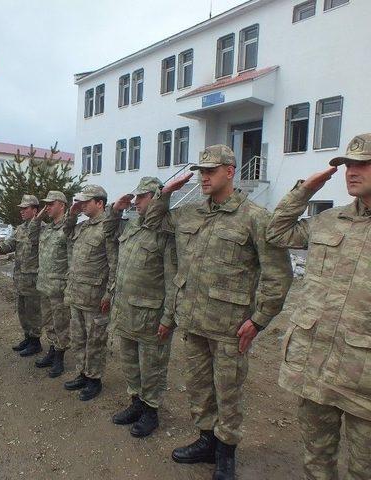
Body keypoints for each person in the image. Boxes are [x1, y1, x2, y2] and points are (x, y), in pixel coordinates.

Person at [155, 145, 293, 479]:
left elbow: (278, 274)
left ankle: (226, 453)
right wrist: (164, 194)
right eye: (201, 171)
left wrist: (259, 320)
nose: (203, 177)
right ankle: (206, 441)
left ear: (230, 172)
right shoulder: (191, 214)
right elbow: (152, 220)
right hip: (193, 321)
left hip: (230, 328)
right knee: (199, 387)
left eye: (210, 171)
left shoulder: (255, 217)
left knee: (228, 392)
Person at [266, 133, 371, 480]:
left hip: (364, 381)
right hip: (315, 368)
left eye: (363, 164)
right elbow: (276, 233)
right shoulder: (329, 220)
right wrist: (305, 189)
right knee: (316, 461)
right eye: (348, 165)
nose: (352, 172)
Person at [109, 177, 177, 437]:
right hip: (126, 310)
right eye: (135, 198)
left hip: (151, 315)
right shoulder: (134, 225)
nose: (136, 202)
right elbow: (108, 233)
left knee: (152, 367)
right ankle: (136, 404)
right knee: (130, 363)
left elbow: (173, 280)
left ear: (156, 198)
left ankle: (151, 411)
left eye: (141, 197)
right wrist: (114, 210)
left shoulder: (165, 232)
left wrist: (169, 317)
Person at [63, 184, 121, 401]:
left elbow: (114, 264)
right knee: (79, 338)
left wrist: (109, 293)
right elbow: (66, 235)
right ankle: (82, 373)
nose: (83, 205)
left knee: (95, 340)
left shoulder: (108, 227)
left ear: (100, 203)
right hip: (77, 293)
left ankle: (94, 379)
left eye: (87, 202)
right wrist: (71, 214)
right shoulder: (83, 226)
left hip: (96, 298)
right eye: (82, 201)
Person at [0, 195, 43, 357]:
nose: (22, 211)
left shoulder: (42, 229)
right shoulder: (21, 228)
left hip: (34, 280)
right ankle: (28, 337)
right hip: (20, 279)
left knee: (33, 312)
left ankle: (35, 342)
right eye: (21, 208)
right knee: (22, 311)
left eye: (25, 208)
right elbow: (10, 244)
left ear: (35, 210)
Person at [33, 191, 71, 378]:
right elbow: (32, 231)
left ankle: (60, 358)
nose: (47, 207)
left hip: (59, 287)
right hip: (44, 285)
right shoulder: (46, 229)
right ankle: (52, 350)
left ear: (62, 205)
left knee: (61, 324)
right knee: (48, 323)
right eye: (45, 204)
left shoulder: (69, 228)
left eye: (51, 204)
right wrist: (41, 214)